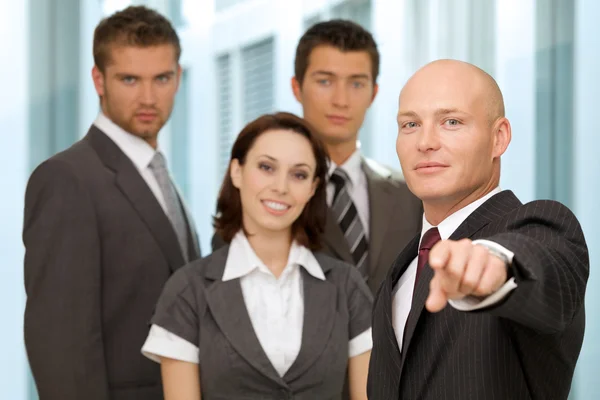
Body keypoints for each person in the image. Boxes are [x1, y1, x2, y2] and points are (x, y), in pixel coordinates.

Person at [367, 59, 589, 400]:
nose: (425, 142)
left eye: (451, 122)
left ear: (498, 138)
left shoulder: (541, 225)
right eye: (410, 124)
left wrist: (493, 267)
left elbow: (540, 268)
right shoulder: (402, 269)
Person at [23, 6, 200, 399]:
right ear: (98, 80)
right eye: (130, 79)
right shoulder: (67, 179)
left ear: (179, 78)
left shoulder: (161, 177)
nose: (148, 97)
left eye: (162, 78)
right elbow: (59, 344)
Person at [141, 112, 373, 400]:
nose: (281, 187)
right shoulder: (187, 291)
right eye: (266, 167)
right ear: (236, 171)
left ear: (313, 188)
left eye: (298, 174)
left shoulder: (347, 287)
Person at [213, 19, 422, 295]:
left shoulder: (412, 195)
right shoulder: (261, 194)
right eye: (325, 81)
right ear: (296, 87)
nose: (341, 100)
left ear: (374, 93)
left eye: (356, 84)